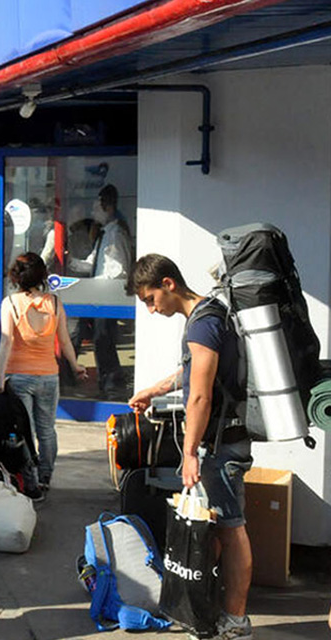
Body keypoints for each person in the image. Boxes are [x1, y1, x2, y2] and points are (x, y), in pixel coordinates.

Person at [127, 254, 253, 640]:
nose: (150, 309)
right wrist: (155, 389)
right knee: (216, 530)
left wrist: (190, 451)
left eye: (150, 299)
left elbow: (200, 396)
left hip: (221, 444)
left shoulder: (204, 322)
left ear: (168, 284)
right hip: (224, 439)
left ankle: (236, 622)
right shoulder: (208, 317)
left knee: (231, 530)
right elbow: (192, 370)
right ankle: (212, 610)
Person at [0, 253, 88, 499]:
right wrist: (75, 365)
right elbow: (65, 340)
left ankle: (31, 482)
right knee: (47, 430)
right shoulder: (54, 303)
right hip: (48, 375)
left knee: (26, 431)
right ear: (42, 276)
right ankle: (46, 477)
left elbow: (6, 342)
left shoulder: (10, 304)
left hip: (19, 375)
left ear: (16, 276)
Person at [71, 184, 135, 397]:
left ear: (108, 207)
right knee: (101, 340)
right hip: (100, 294)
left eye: (96, 208)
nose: (92, 212)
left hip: (107, 296)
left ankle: (112, 383)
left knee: (104, 340)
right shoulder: (105, 234)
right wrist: (71, 263)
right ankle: (107, 381)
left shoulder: (115, 235)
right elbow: (93, 264)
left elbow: (118, 269)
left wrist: (96, 285)